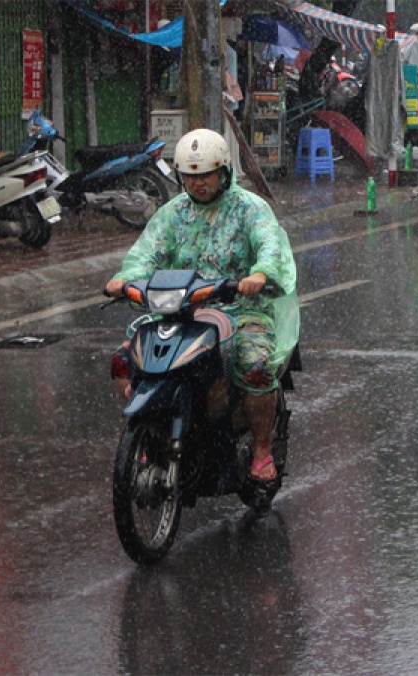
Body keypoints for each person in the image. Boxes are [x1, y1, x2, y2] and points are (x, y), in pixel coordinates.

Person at [104, 128, 299, 488]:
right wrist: (127, 278)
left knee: (255, 366)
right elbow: (146, 253)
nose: (198, 183)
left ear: (223, 172)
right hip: (180, 309)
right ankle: (151, 432)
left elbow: (270, 246)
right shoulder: (172, 213)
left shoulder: (250, 208)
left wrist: (259, 274)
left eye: (206, 174)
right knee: (125, 359)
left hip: (241, 308)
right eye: (190, 176)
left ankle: (260, 449)